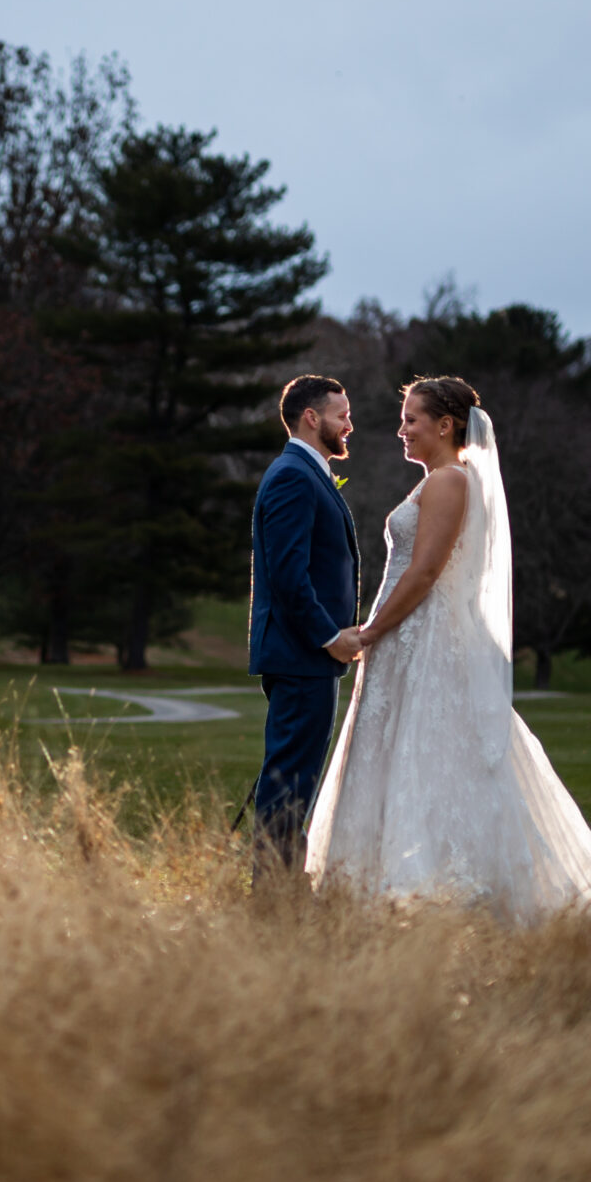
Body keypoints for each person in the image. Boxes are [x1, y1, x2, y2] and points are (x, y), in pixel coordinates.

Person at [304, 376, 591, 951]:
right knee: (406, 753)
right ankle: (373, 888)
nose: (401, 428)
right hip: (405, 644)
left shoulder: (448, 482)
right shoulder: (434, 483)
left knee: (435, 755)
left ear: (445, 426)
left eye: (412, 418)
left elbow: (425, 573)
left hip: (423, 641)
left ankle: (433, 891)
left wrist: (371, 630)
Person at [246, 374, 363, 882]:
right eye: (342, 414)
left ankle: (279, 897)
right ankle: (274, 904)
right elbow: (289, 575)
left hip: (303, 659)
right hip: (300, 656)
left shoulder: (305, 471)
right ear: (312, 418)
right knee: (288, 785)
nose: (349, 424)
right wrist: (330, 636)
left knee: (293, 781)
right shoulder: (294, 475)